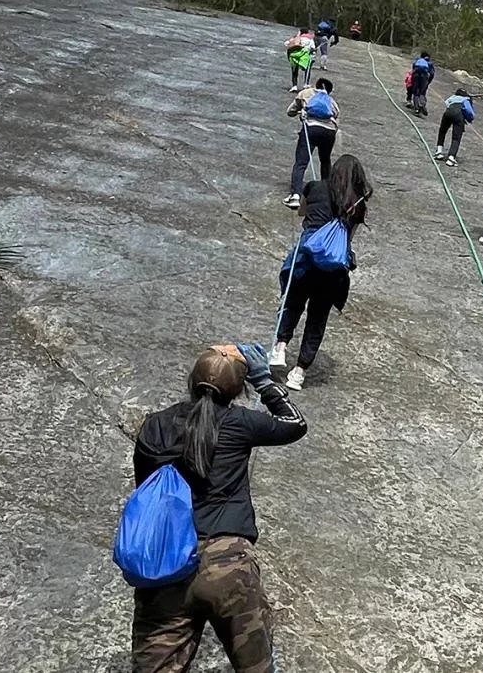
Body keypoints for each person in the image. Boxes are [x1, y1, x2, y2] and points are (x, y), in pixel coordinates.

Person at [130, 343, 307, 671]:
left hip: (166, 565)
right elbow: (294, 424)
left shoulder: (155, 425)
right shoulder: (240, 422)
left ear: (190, 381)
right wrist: (266, 383)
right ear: (239, 390)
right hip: (230, 567)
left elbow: (145, 489)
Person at [271, 154, 373, 390]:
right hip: (331, 272)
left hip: (306, 261)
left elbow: (301, 213)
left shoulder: (314, 187)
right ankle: (298, 373)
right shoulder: (357, 204)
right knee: (317, 319)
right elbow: (347, 240)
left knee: (293, 303)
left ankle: (280, 349)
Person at [282, 77, 340, 209]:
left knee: (301, 163)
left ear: (316, 86)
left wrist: (300, 111)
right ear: (329, 91)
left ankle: (296, 196)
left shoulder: (305, 93)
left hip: (311, 128)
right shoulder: (331, 101)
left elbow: (289, 112)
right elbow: (336, 114)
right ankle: (326, 195)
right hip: (329, 132)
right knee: (325, 161)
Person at [434, 88, 475, 167]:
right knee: (456, 137)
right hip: (458, 115)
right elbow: (470, 112)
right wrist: (468, 119)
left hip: (448, 112)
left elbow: (447, 103)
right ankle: (451, 157)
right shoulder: (466, 99)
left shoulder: (453, 97)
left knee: (442, 131)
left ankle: (439, 151)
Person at [284, 28, 316, 92]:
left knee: (294, 71)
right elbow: (313, 48)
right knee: (307, 70)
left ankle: (294, 86)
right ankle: (306, 84)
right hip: (305, 57)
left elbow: (286, 43)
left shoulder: (297, 38)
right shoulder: (310, 39)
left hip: (295, 56)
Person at [409, 52, 435, 117]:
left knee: (416, 93)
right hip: (425, 78)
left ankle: (417, 109)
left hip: (416, 76)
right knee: (422, 93)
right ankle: (422, 104)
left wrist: (412, 82)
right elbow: (432, 74)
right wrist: (428, 83)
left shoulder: (417, 61)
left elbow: (413, 71)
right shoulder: (429, 64)